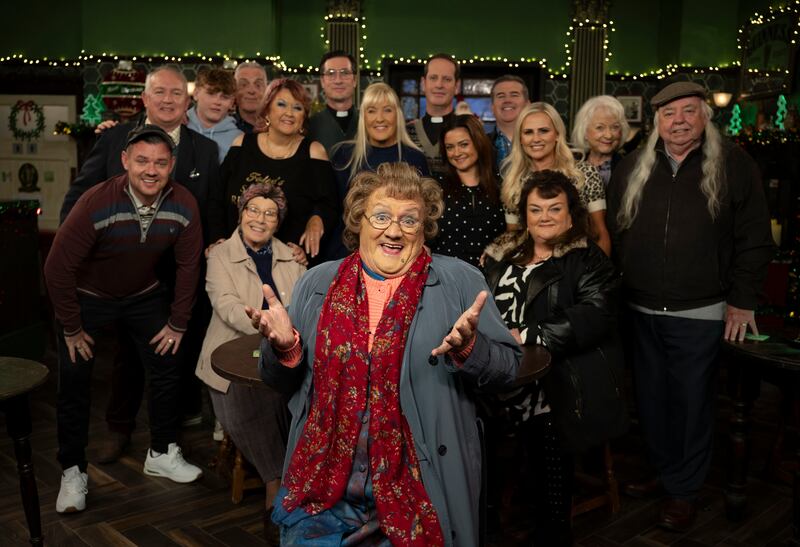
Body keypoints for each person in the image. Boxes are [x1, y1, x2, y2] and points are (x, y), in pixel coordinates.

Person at [249, 162, 520, 545]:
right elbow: (277, 381)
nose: (394, 230)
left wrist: (471, 350)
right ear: (359, 220)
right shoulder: (316, 283)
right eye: (380, 216)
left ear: (424, 229)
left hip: (421, 485)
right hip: (324, 487)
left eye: (409, 221)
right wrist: (284, 348)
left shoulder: (460, 282)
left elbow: (508, 370)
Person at [606, 81, 774, 531]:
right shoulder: (633, 167)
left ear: (705, 117)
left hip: (701, 313)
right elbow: (617, 236)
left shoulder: (735, 165)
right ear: (655, 121)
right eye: (668, 114)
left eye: (688, 112)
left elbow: (754, 240)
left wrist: (741, 301)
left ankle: (684, 490)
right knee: (652, 401)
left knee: (693, 404)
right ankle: (665, 474)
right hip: (640, 309)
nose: (678, 121)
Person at [59, 65, 222, 464]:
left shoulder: (205, 149)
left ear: (188, 104)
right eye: (159, 93)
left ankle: (166, 440)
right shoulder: (115, 138)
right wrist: (75, 252)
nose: (168, 100)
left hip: (179, 272)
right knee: (127, 360)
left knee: (174, 353)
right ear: (144, 99)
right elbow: (79, 198)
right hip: (119, 273)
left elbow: (208, 211)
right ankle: (119, 429)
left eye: (176, 94)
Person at [44, 125, 204, 514]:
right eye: (143, 161)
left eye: (161, 163)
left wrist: (179, 322)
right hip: (88, 298)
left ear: (172, 166)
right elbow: (56, 268)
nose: (152, 170)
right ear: (125, 161)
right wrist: (72, 326)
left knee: (169, 361)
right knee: (76, 378)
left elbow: (188, 267)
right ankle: (72, 471)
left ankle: (162, 452)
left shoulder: (184, 204)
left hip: (142, 294)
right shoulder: (96, 203)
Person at [484, 170, 626, 545]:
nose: (544, 217)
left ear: (570, 214)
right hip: (500, 367)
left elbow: (597, 313)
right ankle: (484, 520)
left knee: (543, 415)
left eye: (554, 208)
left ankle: (552, 528)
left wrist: (530, 335)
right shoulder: (502, 254)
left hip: (559, 370)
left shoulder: (586, 258)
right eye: (535, 209)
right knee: (465, 411)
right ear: (524, 215)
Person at [196, 180, 305, 544]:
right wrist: (268, 323)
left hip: (283, 353)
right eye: (253, 210)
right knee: (250, 403)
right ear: (241, 213)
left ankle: (301, 479)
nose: (260, 218)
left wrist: (286, 330)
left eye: (270, 213)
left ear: (278, 222)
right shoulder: (219, 256)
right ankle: (277, 485)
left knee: (298, 398)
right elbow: (226, 306)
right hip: (229, 359)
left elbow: (303, 308)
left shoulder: (292, 257)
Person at [219, 78, 339, 266]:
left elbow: (330, 204)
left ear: (303, 118)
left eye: (297, 108)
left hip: (289, 260)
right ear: (267, 110)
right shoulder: (242, 145)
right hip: (235, 258)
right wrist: (217, 239)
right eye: (281, 104)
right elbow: (216, 199)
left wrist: (317, 219)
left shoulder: (314, 152)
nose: (289, 113)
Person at [325, 82, 430, 260]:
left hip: (397, 252)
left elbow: (423, 214)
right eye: (372, 110)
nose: (379, 118)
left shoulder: (415, 158)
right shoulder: (344, 155)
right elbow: (332, 210)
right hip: (347, 251)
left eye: (387, 110)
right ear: (363, 116)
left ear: (397, 114)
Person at [501, 102, 611, 255]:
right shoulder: (513, 181)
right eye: (528, 132)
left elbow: (600, 232)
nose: (536, 139)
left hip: (579, 265)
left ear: (557, 135)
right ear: (520, 138)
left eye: (544, 131)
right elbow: (512, 237)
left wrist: (600, 275)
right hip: (533, 269)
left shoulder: (584, 173)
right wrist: (495, 255)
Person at [430, 114, 505, 267]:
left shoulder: (502, 186)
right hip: (445, 277)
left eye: (464, 144)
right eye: (450, 147)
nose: (456, 153)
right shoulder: (435, 187)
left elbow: (512, 235)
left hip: (492, 279)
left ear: (478, 143)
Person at [407, 53, 461, 180]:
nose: (439, 85)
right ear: (423, 83)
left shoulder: (467, 132)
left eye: (447, 79)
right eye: (433, 78)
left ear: (457, 86)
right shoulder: (405, 133)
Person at [187, 67, 243, 163]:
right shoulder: (178, 126)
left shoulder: (239, 140)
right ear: (196, 94)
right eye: (211, 94)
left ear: (232, 102)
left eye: (224, 97)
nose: (217, 102)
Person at [571, 95, 630, 187]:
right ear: (584, 132)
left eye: (615, 127)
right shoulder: (571, 165)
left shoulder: (628, 167)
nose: (608, 135)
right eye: (600, 128)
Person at [308, 50, 359, 154]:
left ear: (355, 80)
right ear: (322, 81)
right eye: (330, 74)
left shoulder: (368, 122)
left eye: (345, 73)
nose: (338, 80)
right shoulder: (309, 125)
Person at [488, 75, 530, 170]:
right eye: (501, 96)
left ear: (527, 104)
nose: (507, 100)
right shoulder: (480, 144)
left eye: (514, 95)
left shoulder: (540, 142)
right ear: (492, 107)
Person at [233, 61, 269, 134]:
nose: (251, 91)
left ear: (267, 89)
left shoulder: (279, 126)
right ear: (234, 89)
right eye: (243, 84)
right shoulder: (222, 127)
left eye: (258, 85)